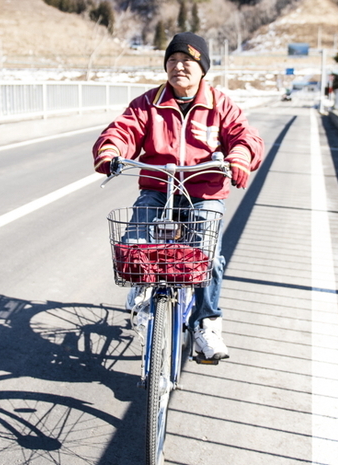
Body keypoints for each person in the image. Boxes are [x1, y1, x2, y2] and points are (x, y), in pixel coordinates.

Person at [93, 32, 264, 361]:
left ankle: (206, 323)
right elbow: (123, 129)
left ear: (202, 68)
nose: (178, 67)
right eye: (171, 61)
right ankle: (144, 299)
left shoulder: (219, 104)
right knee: (136, 238)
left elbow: (245, 136)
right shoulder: (149, 102)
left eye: (187, 61)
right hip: (159, 187)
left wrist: (240, 156)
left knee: (208, 254)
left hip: (204, 191)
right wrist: (110, 150)